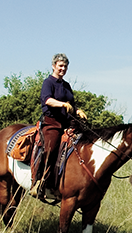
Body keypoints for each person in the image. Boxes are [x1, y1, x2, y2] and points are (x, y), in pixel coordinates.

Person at [30, 53, 86, 201]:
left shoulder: (66, 85)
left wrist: (77, 110)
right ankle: (39, 183)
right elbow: (47, 100)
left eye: (65, 66)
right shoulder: (48, 82)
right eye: (60, 66)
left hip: (67, 122)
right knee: (51, 149)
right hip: (52, 122)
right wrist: (62, 104)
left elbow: (71, 104)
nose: (63, 69)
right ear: (54, 66)